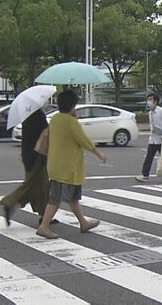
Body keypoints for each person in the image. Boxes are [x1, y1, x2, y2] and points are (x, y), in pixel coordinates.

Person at [37, 90, 107, 239]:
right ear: (73, 105)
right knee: (55, 199)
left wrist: (72, 117)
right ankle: (44, 226)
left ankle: (83, 222)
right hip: (67, 167)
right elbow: (84, 140)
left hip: (56, 164)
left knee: (73, 197)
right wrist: (99, 153)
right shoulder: (71, 122)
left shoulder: (55, 118)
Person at [0, 109, 51, 226]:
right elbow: (46, 132)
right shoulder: (38, 115)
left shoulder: (26, 115)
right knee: (33, 184)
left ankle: (44, 216)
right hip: (38, 155)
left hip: (28, 153)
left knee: (40, 186)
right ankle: (9, 202)